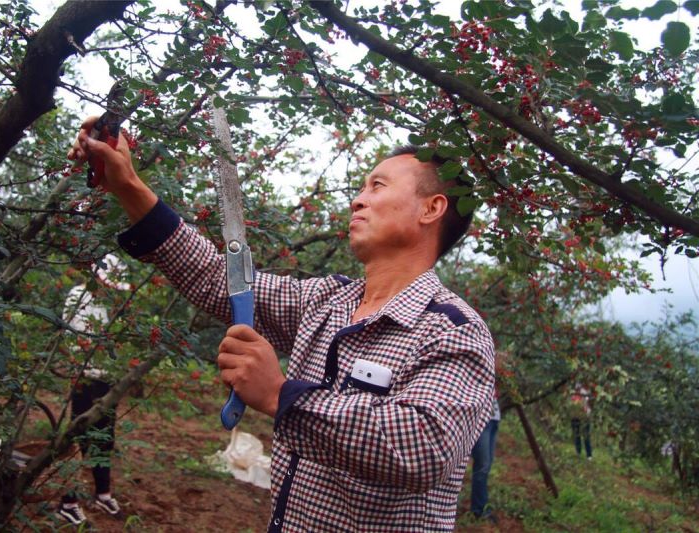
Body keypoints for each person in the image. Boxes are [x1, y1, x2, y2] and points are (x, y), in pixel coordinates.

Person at [68, 118, 495, 531]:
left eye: (377, 186)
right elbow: (217, 278)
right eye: (361, 187)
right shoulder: (326, 301)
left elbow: (422, 448)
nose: (358, 199)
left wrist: (280, 394)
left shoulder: (452, 329)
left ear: (431, 208)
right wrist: (127, 184)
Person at [57, 254, 130, 525]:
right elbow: (79, 344)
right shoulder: (79, 297)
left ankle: (102, 493)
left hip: (105, 380)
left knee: (104, 439)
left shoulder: (106, 304)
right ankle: (68, 502)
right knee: (80, 440)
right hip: (85, 379)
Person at [469, 394, 500, 520]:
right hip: (482, 417)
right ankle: (479, 509)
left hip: (494, 416)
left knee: (485, 466)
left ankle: (480, 506)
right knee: (482, 465)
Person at [569, 383, 592, 460]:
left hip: (584, 417)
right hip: (575, 417)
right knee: (577, 435)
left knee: (586, 436)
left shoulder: (584, 394)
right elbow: (571, 406)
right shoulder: (572, 395)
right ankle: (578, 452)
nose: (577, 389)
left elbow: (586, 406)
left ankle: (589, 455)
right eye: (576, 388)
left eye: (578, 388)